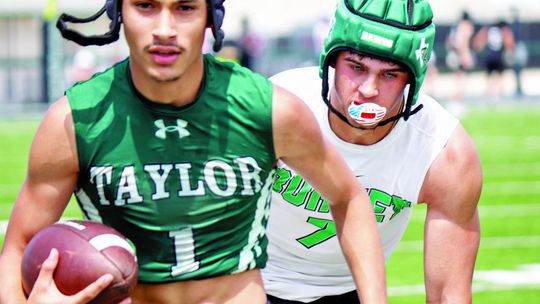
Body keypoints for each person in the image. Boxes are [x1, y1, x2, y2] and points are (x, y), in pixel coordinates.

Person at [0, 0, 388, 304]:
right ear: (120, 11)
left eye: (185, 8)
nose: (164, 29)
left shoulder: (268, 109)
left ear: (209, 17)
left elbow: (349, 197)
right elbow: (17, 247)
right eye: (146, 6)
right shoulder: (76, 120)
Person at [262, 0, 482, 303]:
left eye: (390, 75)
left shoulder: (444, 151)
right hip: (254, 280)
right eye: (356, 67)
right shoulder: (278, 107)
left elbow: (449, 295)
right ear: (331, 60)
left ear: (412, 79)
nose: (368, 90)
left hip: (352, 289)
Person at [473, 19, 516, 101]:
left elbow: (478, 41)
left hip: (488, 56)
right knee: (500, 78)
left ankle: (489, 96)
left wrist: (480, 48)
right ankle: (498, 96)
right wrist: (511, 51)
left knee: (488, 78)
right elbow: (509, 42)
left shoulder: (488, 29)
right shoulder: (503, 29)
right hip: (498, 56)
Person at [445, 10, 475, 115]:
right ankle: (456, 103)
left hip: (453, 54)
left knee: (457, 78)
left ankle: (454, 103)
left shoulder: (456, 26)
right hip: (460, 55)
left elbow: (449, 42)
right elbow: (463, 41)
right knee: (461, 80)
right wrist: (464, 55)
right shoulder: (466, 26)